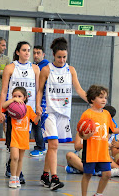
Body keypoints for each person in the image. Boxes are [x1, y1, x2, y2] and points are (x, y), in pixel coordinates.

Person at [37, 37, 87, 190]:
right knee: (53, 144)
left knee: (53, 147)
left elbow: (78, 89)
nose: (62, 59)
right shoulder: (46, 70)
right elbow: (39, 90)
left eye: (64, 57)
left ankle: (45, 175)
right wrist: (38, 106)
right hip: (49, 111)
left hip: (63, 113)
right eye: (59, 57)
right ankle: (54, 178)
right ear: (53, 55)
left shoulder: (70, 70)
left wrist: (92, 101)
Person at [0, 41, 40, 184]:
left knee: (22, 144)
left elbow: (38, 90)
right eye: (24, 50)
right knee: (13, 143)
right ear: (17, 52)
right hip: (13, 111)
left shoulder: (35, 68)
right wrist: (1, 111)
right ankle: (14, 172)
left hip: (27, 111)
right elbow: (4, 90)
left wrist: (38, 107)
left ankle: (15, 169)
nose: (28, 53)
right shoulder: (10, 67)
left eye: (29, 50)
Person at [79, 85, 119, 196]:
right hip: (91, 152)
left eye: (105, 97)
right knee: (88, 175)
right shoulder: (87, 114)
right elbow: (81, 135)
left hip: (103, 152)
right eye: (101, 97)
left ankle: (98, 194)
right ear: (92, 99)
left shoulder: (106, 114)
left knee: (107, 174)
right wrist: (87, 135)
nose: (104, 99)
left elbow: (112, 130)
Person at [2, 87, 40, 188]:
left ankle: (17, 177)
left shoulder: (28, 109)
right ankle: (12, 178)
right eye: (15, 96)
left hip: (24, 138)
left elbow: (35, 120)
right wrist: (13, 100)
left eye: (19, 96)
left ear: (25, 97)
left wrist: (39, 115)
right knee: (14, 157)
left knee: (20, 159)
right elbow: (3, 106)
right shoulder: (10, 108)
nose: (17, 98)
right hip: (13, 137)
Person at [30, 45, 49, 157]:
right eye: (34, 53)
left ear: (43, 54)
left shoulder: (45, 67)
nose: (36, 55)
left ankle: (41, 147)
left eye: (38, 53)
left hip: (43, 101)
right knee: (35, 123)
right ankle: (40, 146)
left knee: (38, 123)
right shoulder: (34, 66)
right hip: (34, 99)